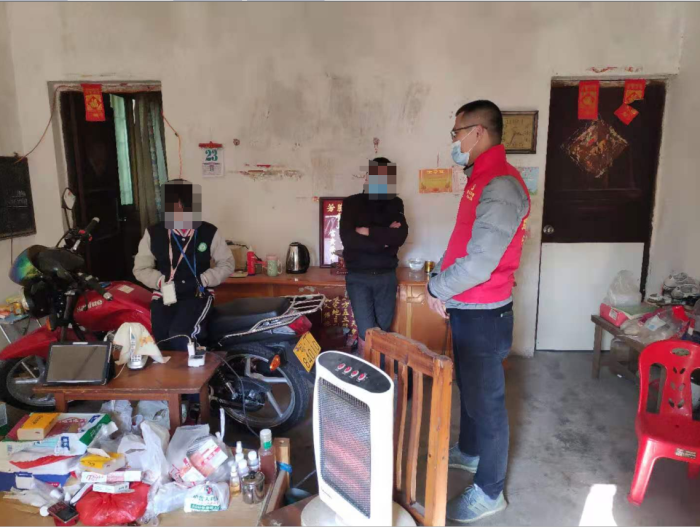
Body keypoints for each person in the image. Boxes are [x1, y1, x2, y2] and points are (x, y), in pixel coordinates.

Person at [427, 101, 530, 523]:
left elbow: (480, 264)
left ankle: (490, 491)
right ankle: (469, 452)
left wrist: (437, 287)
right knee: (469, 389)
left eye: (457, 133)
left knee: (488, 406)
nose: (454, 141)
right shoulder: (482, 178)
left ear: (478, 132)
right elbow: (463, 244)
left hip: (485, 314)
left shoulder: (501, 184)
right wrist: (441, 281)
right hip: (468, 307)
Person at [133, 179, 235, 351]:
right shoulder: (153, 233)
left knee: (181, 336)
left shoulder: (209, 232)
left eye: (183, 205)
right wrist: (160, 281)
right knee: (163, 340)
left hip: (197, 295)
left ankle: (197, 367)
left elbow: (227, 264)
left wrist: (204, 279)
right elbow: (141, 268)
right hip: (165, 295)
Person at [340, 157, 409, 354]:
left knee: (383, 332)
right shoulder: (351, 203)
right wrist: (385, 240)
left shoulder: (395, 203)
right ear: (367, 177)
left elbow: (400, 236)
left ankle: (378, 370)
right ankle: (367, 370)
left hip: (386, 277)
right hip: (358, 277)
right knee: (367, 332)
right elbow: (349, 240)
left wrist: (367, 232)